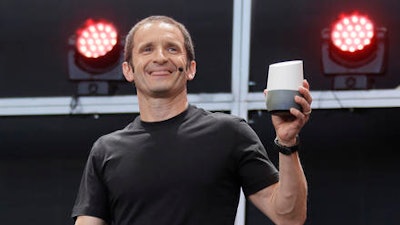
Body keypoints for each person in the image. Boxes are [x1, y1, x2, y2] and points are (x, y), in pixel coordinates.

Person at [71, 15, 312, 225]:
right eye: (147, 49)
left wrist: (287, 143)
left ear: (190, 68)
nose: (161, 57)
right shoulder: (106, 150)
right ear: (128, 70)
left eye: (172, 49)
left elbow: (289, 217)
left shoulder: (229, 134)